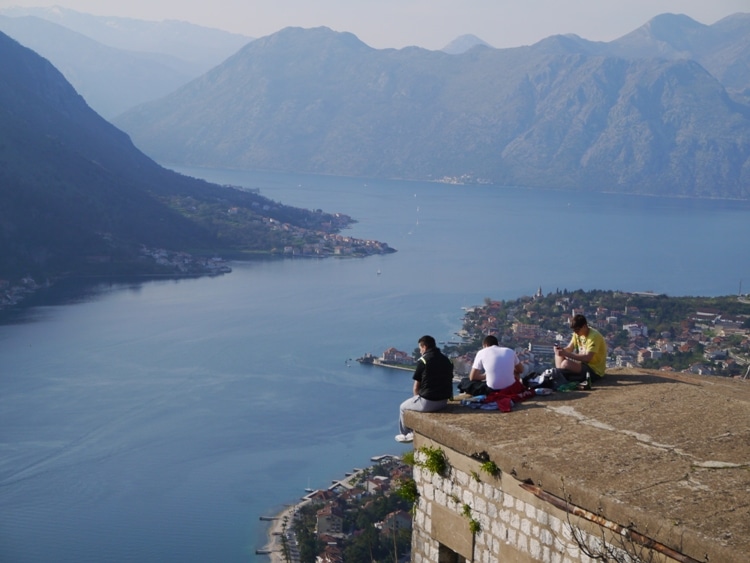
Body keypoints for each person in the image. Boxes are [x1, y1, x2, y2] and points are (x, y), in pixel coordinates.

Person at [395, 335, 454, 443]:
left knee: (403, 407)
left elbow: (416, 387)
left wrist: (417, 400)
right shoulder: (446, 360)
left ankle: (406, 434)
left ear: (425, 347)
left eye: (420, 348)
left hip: (428, 402)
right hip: (444, 401)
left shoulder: (424, 361)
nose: (420, 351)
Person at [555, 314, 607, 388]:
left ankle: (561, 375)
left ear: (584, 326)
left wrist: (566, 353)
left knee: (566, 364)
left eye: (577, 330)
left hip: (594, 370)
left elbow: (587, 358)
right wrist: (561, 350)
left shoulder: (594, 337)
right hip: (582, 365)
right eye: (574, 330)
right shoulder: (577, 334)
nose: (575, 332)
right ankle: (560, 375)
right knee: (558, 355)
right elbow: (569, 348)